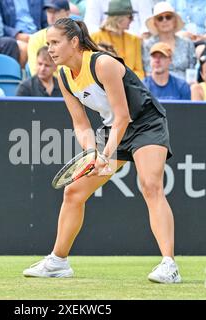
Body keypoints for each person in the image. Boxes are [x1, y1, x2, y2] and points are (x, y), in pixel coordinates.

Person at [23, 18, 181, 284]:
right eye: (47, 43)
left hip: (145, 123)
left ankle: (169, 265)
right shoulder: (63, 75)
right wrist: (90, 153)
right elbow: (80, 122)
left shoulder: (103, 63)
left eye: (55, 42)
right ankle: (58, 262)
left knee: (150, 185)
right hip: (113, 130)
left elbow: (123, 117)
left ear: (74, 42)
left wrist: (104, 155)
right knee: (73, 192)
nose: (49, 49)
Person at [142, 1, 196, 80]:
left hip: (185, 87)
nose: (165, 20)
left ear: (174, 21)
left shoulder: (187, 43)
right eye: (160, 18)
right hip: (159, 87)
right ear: (155, 23)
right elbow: (149, 73)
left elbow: (192, 72)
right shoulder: (148, 44)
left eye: (168, 17)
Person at [91, 0, 144, 79]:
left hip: (131, 86)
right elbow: (92, 68)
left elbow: (139, 71)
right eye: (130, 17)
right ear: (119, 18)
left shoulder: (134, 40)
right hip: (105, 84)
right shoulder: (95, 37)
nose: (132, 20)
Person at [27, 0, 70, 76]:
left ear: (67, 13)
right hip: (46, 85)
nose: (51, 16)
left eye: (56, 12)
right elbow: (36, 72)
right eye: (49, 11)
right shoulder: (35, 38)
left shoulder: (76, 38)